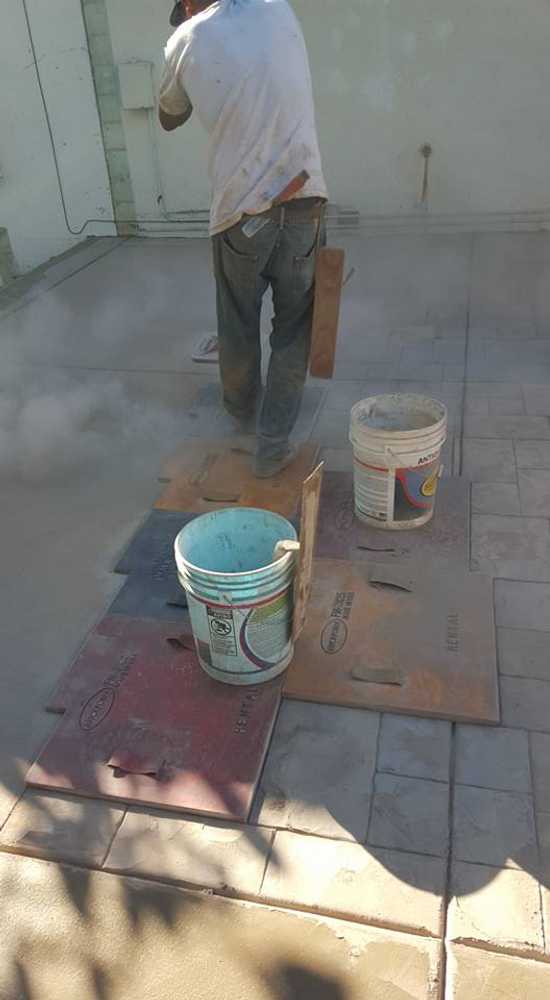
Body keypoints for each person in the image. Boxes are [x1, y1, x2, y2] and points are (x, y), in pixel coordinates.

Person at [159, 0, 327, 477]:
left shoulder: (185, 39)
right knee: (294, 330)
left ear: (188, 5)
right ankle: (271, 448)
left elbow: (169, 117)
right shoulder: (278, 9)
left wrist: (194, 59)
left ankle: (242, 421)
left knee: (237, 322)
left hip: (240, 212)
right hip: (304, 199)